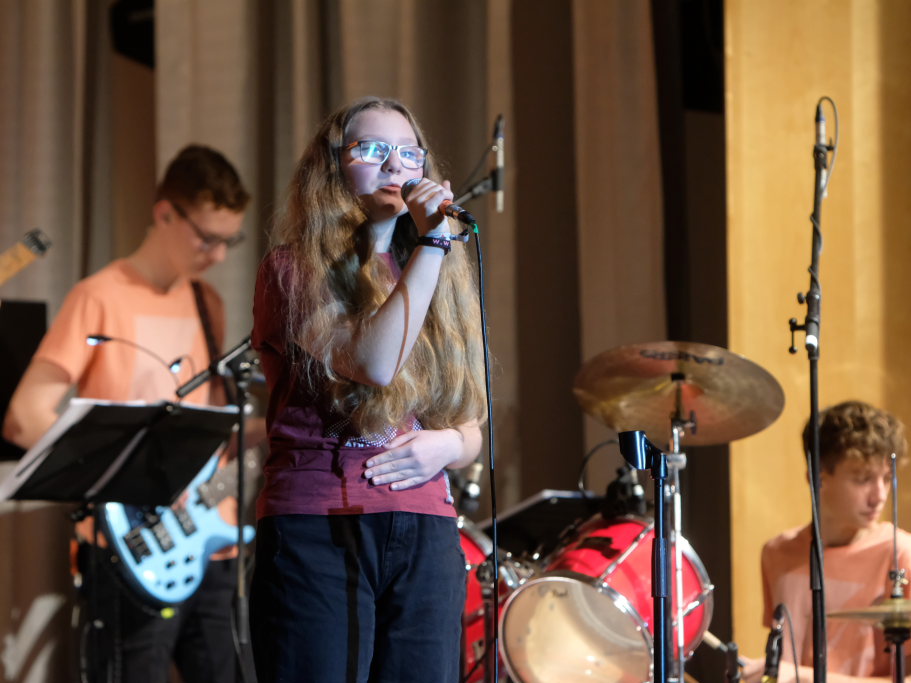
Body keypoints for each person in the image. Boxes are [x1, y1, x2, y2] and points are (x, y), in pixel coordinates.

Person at [249, 96, 486, 683]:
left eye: (408, 153)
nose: (394, 164)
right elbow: (374, 363)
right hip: (320, 526)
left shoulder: (433, 271)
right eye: (373, 149)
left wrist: (448, 446)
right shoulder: (292, 270)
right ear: (333, 165)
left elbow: (466, 418)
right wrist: (433, 246)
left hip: (425, 526)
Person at [3, 144, 252, 682]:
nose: (218, 255)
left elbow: (208, 423)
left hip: (211, 539)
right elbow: (26, 416)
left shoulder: (208, 302)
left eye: (228, 241)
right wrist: (131, 478)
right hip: (129, 546)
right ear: (165, 213)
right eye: (207, 238)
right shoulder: (97, 296)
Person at [744, 400, 911, 683]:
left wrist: (802, 677)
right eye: (863, 479)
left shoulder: (901, 554)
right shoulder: (776, 552)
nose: (880, 496)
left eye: (886, 478)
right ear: (816, 479)